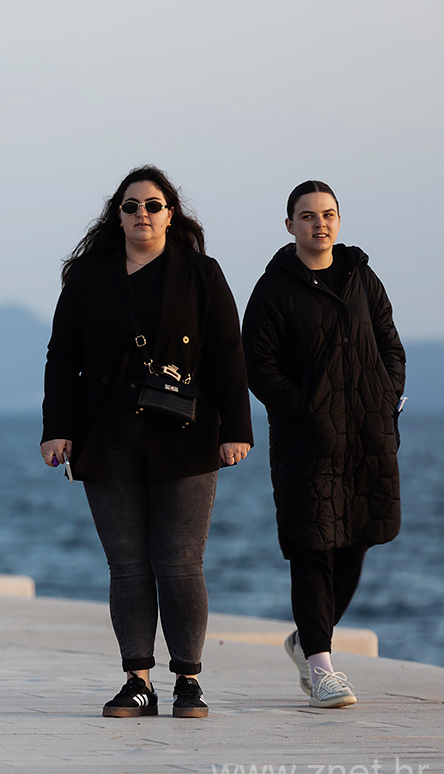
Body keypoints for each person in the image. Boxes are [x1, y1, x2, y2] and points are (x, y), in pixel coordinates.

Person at [40, 165, 252, 719]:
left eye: (153, 206)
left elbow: (227, 352)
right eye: (131, 206)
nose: (142, 215)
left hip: (186, 432)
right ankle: (137, 681)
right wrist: (56, 428)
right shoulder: (88, 276)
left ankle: (188, 681)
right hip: (107, 434)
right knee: (128, 566)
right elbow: (62, 355)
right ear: (118, 215)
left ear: (170, 214)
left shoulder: (201, 273)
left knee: (180, 563)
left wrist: (237, 428)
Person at [241, 181, 403, 709]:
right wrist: (305, 410)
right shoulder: (275, 288)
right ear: (290, 225)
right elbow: (258, 364)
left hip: (366, 438)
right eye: (308, 216)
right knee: (312, 547)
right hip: (308, 444)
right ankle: (320, 668)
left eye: (328, 214)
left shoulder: (361, 276)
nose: (320, 224)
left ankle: (307, 638)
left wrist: (386, 397)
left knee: (355, 540)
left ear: (339, 220)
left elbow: (389, 343)